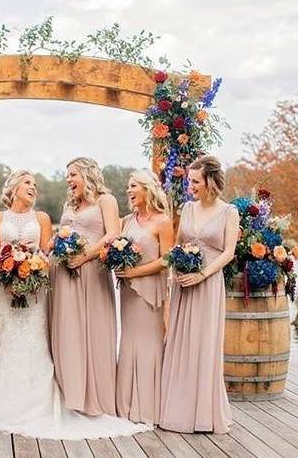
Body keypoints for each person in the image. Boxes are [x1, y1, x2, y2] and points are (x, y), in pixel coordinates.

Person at [0, 170, 148, 439]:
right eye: (27, 183)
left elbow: (46, 252)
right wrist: (9, 272)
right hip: (6, 286)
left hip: (40, 284)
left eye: (35, 184)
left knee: (37, 340)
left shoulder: (44, 217)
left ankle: (45, 403)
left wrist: (33, 269)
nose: (33, 187)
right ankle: (9, 401)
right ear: (13, 187)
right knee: (11, 341)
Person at [159, 155, 240, 434]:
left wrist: (202, 275)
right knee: (181, 343)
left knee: (204, 344)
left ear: (210, 182)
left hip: (207, 285)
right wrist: (173, 279)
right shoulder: (187, 208)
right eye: (188, 180)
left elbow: (229, 253)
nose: (190, 186)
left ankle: (204, 413)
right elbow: (179, 244)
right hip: (184, 283)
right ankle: (177, 410)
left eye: (195, 181)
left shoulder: (229, 212)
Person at [49, 157, 120, 416]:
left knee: (95, 329)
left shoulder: (105, 200)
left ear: (87, 174)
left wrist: (85, 256)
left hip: (92, 271)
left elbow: (112, 233)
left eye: (73, 174)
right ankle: (71, 395)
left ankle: (96, 397)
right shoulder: (70, 204)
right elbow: (62, 232)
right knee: (68, 331)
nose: (69, 180)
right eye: (67, 175)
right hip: (64, 273)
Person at [115, 170, 173, 425]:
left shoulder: (162, 221)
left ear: (147, 189)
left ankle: (149, 407)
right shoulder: (126, 220)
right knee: (128, 342)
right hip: (128, 291)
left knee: (149, 343)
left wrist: (134, 272)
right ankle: (125, 406)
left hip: (150, 290)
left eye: (133, 186)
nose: (129, 191)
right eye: (128, 187)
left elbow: (167, 259)